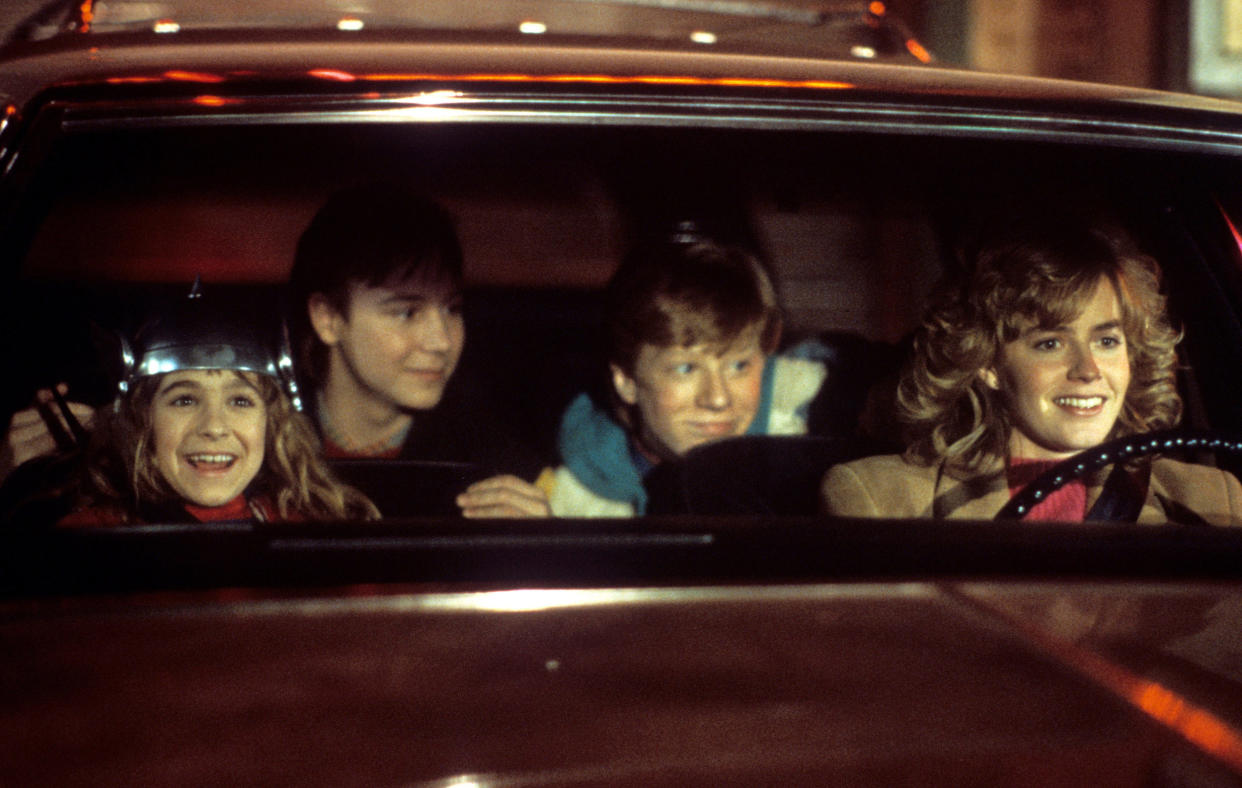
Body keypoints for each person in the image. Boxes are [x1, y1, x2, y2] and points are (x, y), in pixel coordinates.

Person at [820, 216, 1242, 524]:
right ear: (988, 364)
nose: (1088, 369)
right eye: (1050, 343)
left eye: (1107, 341)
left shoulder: (1211, 501)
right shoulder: (879, 499)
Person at [287, 182, 550, 517]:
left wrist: (540, 543)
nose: (441, 341)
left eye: (452, 309)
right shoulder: (255, 437)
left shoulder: (493, 463)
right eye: (407, 312)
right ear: (328, 318)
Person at [536, 235, 827, 516]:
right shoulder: (566, 505)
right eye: (685, 369)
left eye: (738, 366)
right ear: (626, 381)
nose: (717, 398)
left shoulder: (816, 469)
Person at [59, 286, 376, 525]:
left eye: (240, 401)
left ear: (271, 423)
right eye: (184, 400)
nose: (213, 426)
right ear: (142, 420)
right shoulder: (89, 536)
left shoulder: (315, 529)